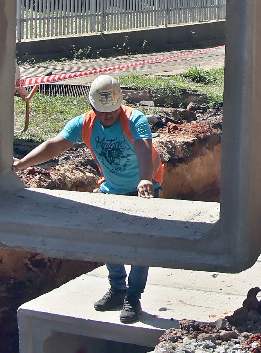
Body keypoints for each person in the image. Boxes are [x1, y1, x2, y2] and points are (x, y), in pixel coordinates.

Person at [12, 73, 163, 321]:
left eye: (113, 110)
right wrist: (22, 164)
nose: (108, 115)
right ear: (91, 105)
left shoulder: (134, 119)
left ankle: (133, 298)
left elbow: (143, 148)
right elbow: (55, 145)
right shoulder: (84, 123)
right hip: (112, 187)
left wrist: (145, 179)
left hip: (144, 187)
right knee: (104, 240)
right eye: (103, 110)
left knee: (139, 244)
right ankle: (117, 289)